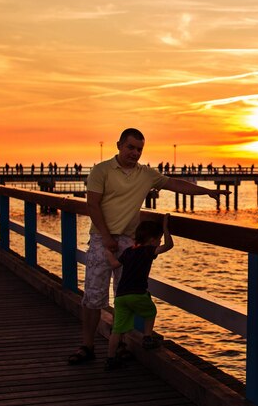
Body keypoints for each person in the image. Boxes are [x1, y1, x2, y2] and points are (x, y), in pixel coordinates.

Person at [68, 127, 230, 365]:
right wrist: (106, 237)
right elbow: (92, 205)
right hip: (102, 239)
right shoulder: (101, 170)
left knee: (126, 295)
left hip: (129, 241)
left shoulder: (146, 174)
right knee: (93, 297)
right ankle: (88, 346)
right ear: (119, 145)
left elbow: (175, 184)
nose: (135, 153)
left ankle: (121, 344)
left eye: (139, 149)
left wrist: (208, 191)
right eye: (131, 147)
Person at [103, 214, 173, 370]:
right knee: (150, 311)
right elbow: (169, 246)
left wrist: (108, 253)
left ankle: (110, 358)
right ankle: (147, 337)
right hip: (137, 293)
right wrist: (166, 228)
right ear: (152, 240)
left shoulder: (128, 251)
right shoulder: (149, 251)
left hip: (121, 296)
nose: (160, 241)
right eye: (159, 239)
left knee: (117, 329)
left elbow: (114, 264)